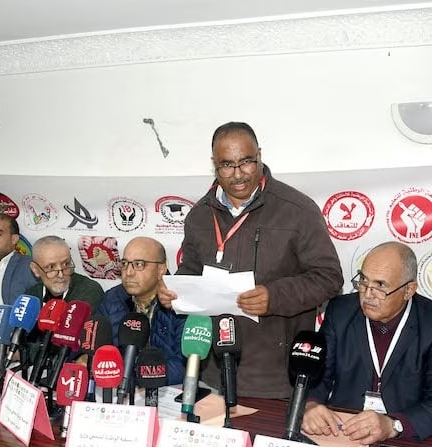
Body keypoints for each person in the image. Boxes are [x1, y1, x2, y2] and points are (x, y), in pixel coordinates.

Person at [159, 121, 343, 398]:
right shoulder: (199, 215)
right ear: (214, 164)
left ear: (259, 155)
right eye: (227, 165)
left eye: (246, 162)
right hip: (211, 371)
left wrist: (274, 296)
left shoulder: (297, 210)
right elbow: (192, 269)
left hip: (274, 379)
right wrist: (176, 290)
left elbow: (329, 277)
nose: (238, 174)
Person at [301, 241, 432, 444]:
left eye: (380, 286)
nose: (367, 295)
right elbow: (318, 374)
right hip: (343, 429)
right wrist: (310, 404)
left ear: (409, 290)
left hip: (404, 437)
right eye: (363, 281)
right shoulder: (340, 311)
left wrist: (394, 424)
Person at [97, 236, 186, 384]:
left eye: (138, 264)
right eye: (124, 264)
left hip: (166, 390)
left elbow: (183, 366)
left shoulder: (179, 303)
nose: (129, 272)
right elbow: (96, 350)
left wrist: (135, 377)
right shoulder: (112, 299)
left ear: (161, 269)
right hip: (118, 388)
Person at [26, 235, 104, 308]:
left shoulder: (89, 291)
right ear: (35, 269)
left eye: (66, 264)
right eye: (51, 267)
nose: (61, 275)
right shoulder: (30, 296)